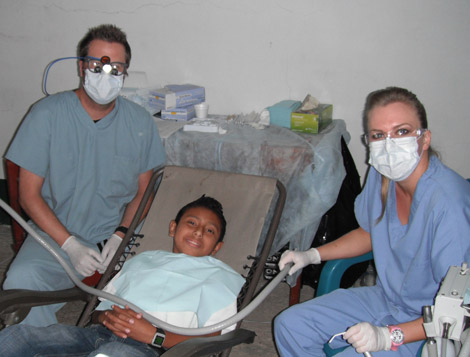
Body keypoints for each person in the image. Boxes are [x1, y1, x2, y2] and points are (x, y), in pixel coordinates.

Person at [274, 86, 470, 356]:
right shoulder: (383, 175)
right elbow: (370, 233)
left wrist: (389, 336)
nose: (389, 145)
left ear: (424, 138)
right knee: (290, 325)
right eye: (379, 135)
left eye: (401, 131)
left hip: (430, 326)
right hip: (386, 300)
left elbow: (458, 311)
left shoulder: (448, 202)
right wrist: (312, 254)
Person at [3, 24, 166, 327]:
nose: (106, 75)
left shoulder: (139, 122)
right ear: (81, 67)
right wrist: (69, 245)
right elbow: (28, 195)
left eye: (116, 68)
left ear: (125, 73)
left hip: (117, 235)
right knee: (22, 282)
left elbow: (145, 191)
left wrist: (121, 235)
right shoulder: (46, 115)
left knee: (153, 296)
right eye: (97, 64)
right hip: (56, 232)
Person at [0, 195, 245, 357]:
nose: (198, 231)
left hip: (153, 349)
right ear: (173, 228)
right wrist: (105, 317)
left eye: (210, 230)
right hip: (99, 334)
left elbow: (214, 338)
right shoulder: (142, 261)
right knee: (17, 337)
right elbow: (98, 311)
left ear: (216, 248)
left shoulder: (220, 279)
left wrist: (154, 336)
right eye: (191, 223)